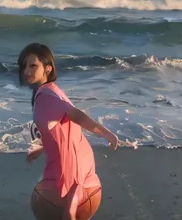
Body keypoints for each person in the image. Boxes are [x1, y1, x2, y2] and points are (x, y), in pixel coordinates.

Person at [18, 42, 119, 220]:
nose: (27, 71)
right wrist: (40, 148)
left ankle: (70, 207)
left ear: (47, 69)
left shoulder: (47, 95)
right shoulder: (49, 91)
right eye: (24, 66)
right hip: (83, 167)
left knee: (54, 206)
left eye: (33, 66)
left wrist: (107, 134)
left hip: (73, 168)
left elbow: (77, 116)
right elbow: (57, 127)